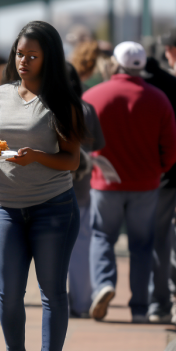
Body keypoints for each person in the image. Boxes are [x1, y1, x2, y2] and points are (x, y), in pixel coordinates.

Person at [0, 20, 84, 351]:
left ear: (47, 59)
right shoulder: (0, 94)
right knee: (8, 295)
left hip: (52, 208)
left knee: (53, 293)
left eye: (32, 56)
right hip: (5, 206)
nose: (23, 61)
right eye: (20, 54)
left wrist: (37, 157)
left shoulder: (62, 102)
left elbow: (71, 160)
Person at [83, 42, 176, 323]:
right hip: (146, 184)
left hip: (105, 183)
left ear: (114, 63)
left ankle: (104, 284)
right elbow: (172, 148)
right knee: (142, 244)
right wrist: (158, 169)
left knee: (102, 236)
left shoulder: (93, 96)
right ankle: (140, 307)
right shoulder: (158, 98)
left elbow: (78, 140)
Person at [143, 55, 176, 324]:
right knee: (165, 237)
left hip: (148, 175)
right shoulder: (174, 85)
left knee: (152, 239)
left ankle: (155, 302)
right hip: (169, 173)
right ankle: (161, 301)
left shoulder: (145, 89)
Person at [66, 63, 105, 318]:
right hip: (79, 187)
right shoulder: (86, 109)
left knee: (49, 250)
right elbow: (98, 143)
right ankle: (80, 303)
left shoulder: (40, 105)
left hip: (45, 188)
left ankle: (55, 305)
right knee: (80, 245)